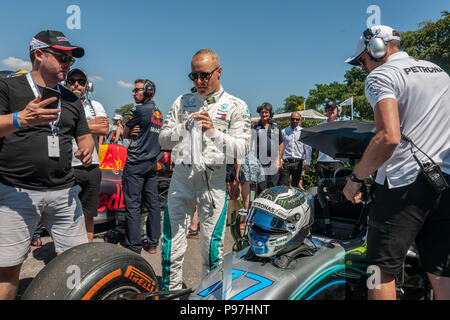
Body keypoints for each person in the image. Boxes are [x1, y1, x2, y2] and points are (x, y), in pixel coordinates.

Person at [342, 25, 450, 300]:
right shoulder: (439, 72)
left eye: (362, 60)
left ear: (376, 49)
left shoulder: (382, 75)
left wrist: (356, 179)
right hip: (445, 181)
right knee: (440, 269)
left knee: (380, 270)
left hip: (404, 185)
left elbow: (388, 136)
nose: (363, 67)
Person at [0, 30, 93, 299]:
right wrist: (19, 120)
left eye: (70, 59)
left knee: (78, 263)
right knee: (7, 268)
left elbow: (83, 133)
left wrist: (86, 146)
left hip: (64, 193)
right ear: (38, 55)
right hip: (16, 192)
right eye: (62, 57)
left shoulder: (72, 98)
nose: (68, 64)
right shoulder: (8, 86)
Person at [159, 49, 251, 291]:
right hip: (182, 175)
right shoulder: (183, 101)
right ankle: (172, 292)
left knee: (211, 246)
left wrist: (213, 132)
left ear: (219, 72)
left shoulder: (236, 105)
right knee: (171, 242)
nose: (199, 81)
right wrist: (183, 127)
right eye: (193, 76)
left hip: (214, 177)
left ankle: (208, 297)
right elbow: (163, 140)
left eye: (204, 75)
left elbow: (242, 148)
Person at [66, 68, 109, 242]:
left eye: (81, 81)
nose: (77, 84)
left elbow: (104, 129)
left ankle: (86, 248)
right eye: (72, 81)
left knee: (88, 213)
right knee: (65, 214)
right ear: (66, 83)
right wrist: (90, 124)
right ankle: (66, 251)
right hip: (67, 166)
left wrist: (73, 125)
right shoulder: (59, 103)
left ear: (87, 86)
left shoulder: (96, 105)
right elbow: (59, 129)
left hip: (92, 166)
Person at [122, 79, 162, 255]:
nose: (133, 93)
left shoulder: (139, 110)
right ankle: (153, 244)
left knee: (133, 205)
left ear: (147, 91)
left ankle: (134, 246)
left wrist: (130, 131)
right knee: (153, 204)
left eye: (136, 90)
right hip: (151, 164)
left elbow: (124, 133)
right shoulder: (159, 113)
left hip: (136, 163)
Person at [253, 102, 284, 192]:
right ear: (259, 113)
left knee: (273, 186)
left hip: (274, 162)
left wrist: (279, 160)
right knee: (261, 186)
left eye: (266, 112)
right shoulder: (255, 128)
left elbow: (281, 143)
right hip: (260, 162)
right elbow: (252, 146)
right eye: (262, 112)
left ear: (270, 113)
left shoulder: (276, 127)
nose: (264, 114)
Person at [278, 112, 312, 189]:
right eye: (293, 119)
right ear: (290, 119)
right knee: (283, 185)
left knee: (296, 186)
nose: (295, 121)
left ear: (300, 120)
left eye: (297, 119)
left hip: (298, 162)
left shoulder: (304, 132)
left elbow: (308, 148)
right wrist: (280, 159)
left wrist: (308, 163)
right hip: (286, 161)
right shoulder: (284, 131)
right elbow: (279, 146)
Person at [315, 101, 344, 180]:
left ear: (337, 110)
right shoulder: (320, 125)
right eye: (329, 109)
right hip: (322, 162)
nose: (331, 111)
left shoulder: (342, 125)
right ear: (326, 111)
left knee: (336, 189)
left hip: (337, 162)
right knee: (321, 188)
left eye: (333, 108)